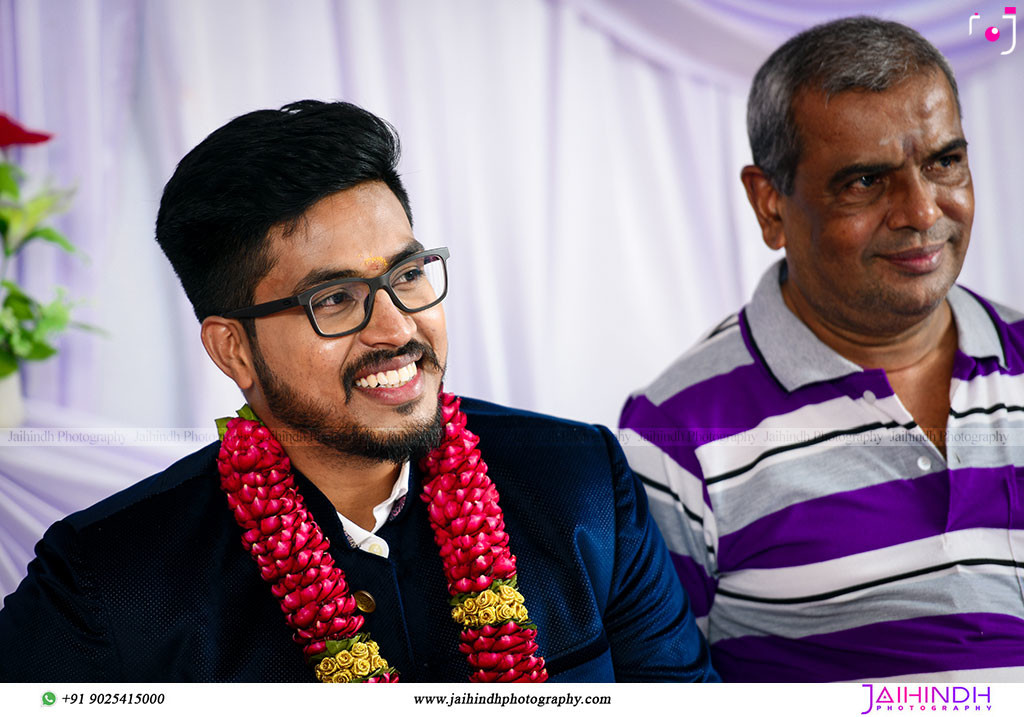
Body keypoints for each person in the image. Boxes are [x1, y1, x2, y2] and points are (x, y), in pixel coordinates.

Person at [0, 101, 715, 683]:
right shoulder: (112, 578)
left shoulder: (581, 484)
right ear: (233, 349)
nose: (396, 326)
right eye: (335, 298)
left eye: (407, 274)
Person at [620, 17, 1024, 682]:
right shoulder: (676, 432)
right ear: (770, 204)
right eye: (866, 181)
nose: (922, 211)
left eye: (944, 162)